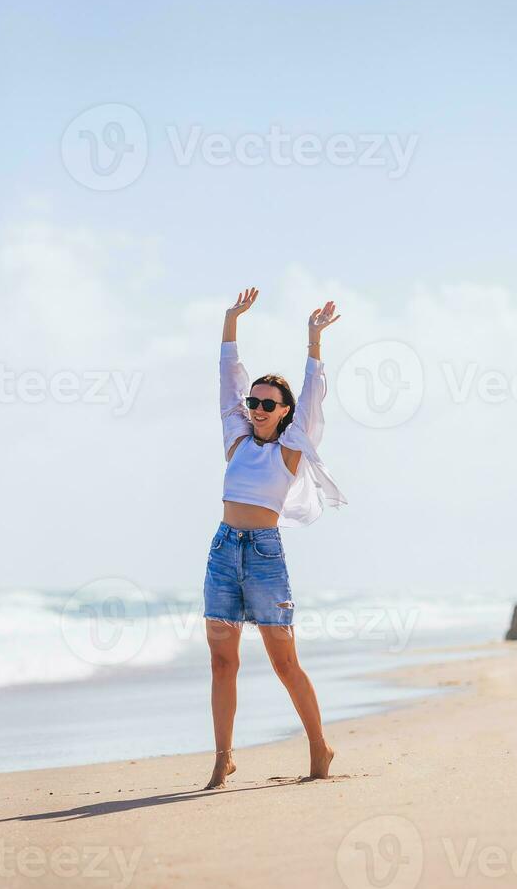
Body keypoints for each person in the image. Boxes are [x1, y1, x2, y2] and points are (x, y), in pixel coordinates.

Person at [203, 286, 348, 789]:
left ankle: (318, 746)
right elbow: (227, 378)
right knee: (222, 661)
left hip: (264, 557)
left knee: (285, 662)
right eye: (255, 401)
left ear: (284, 412)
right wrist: (230, 322)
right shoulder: (236, 438)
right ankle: (223, 757)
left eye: (269, 403)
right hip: (224, 551)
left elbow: (312, 394)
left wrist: (313, 340)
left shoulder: (289, 451)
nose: (259, 406)